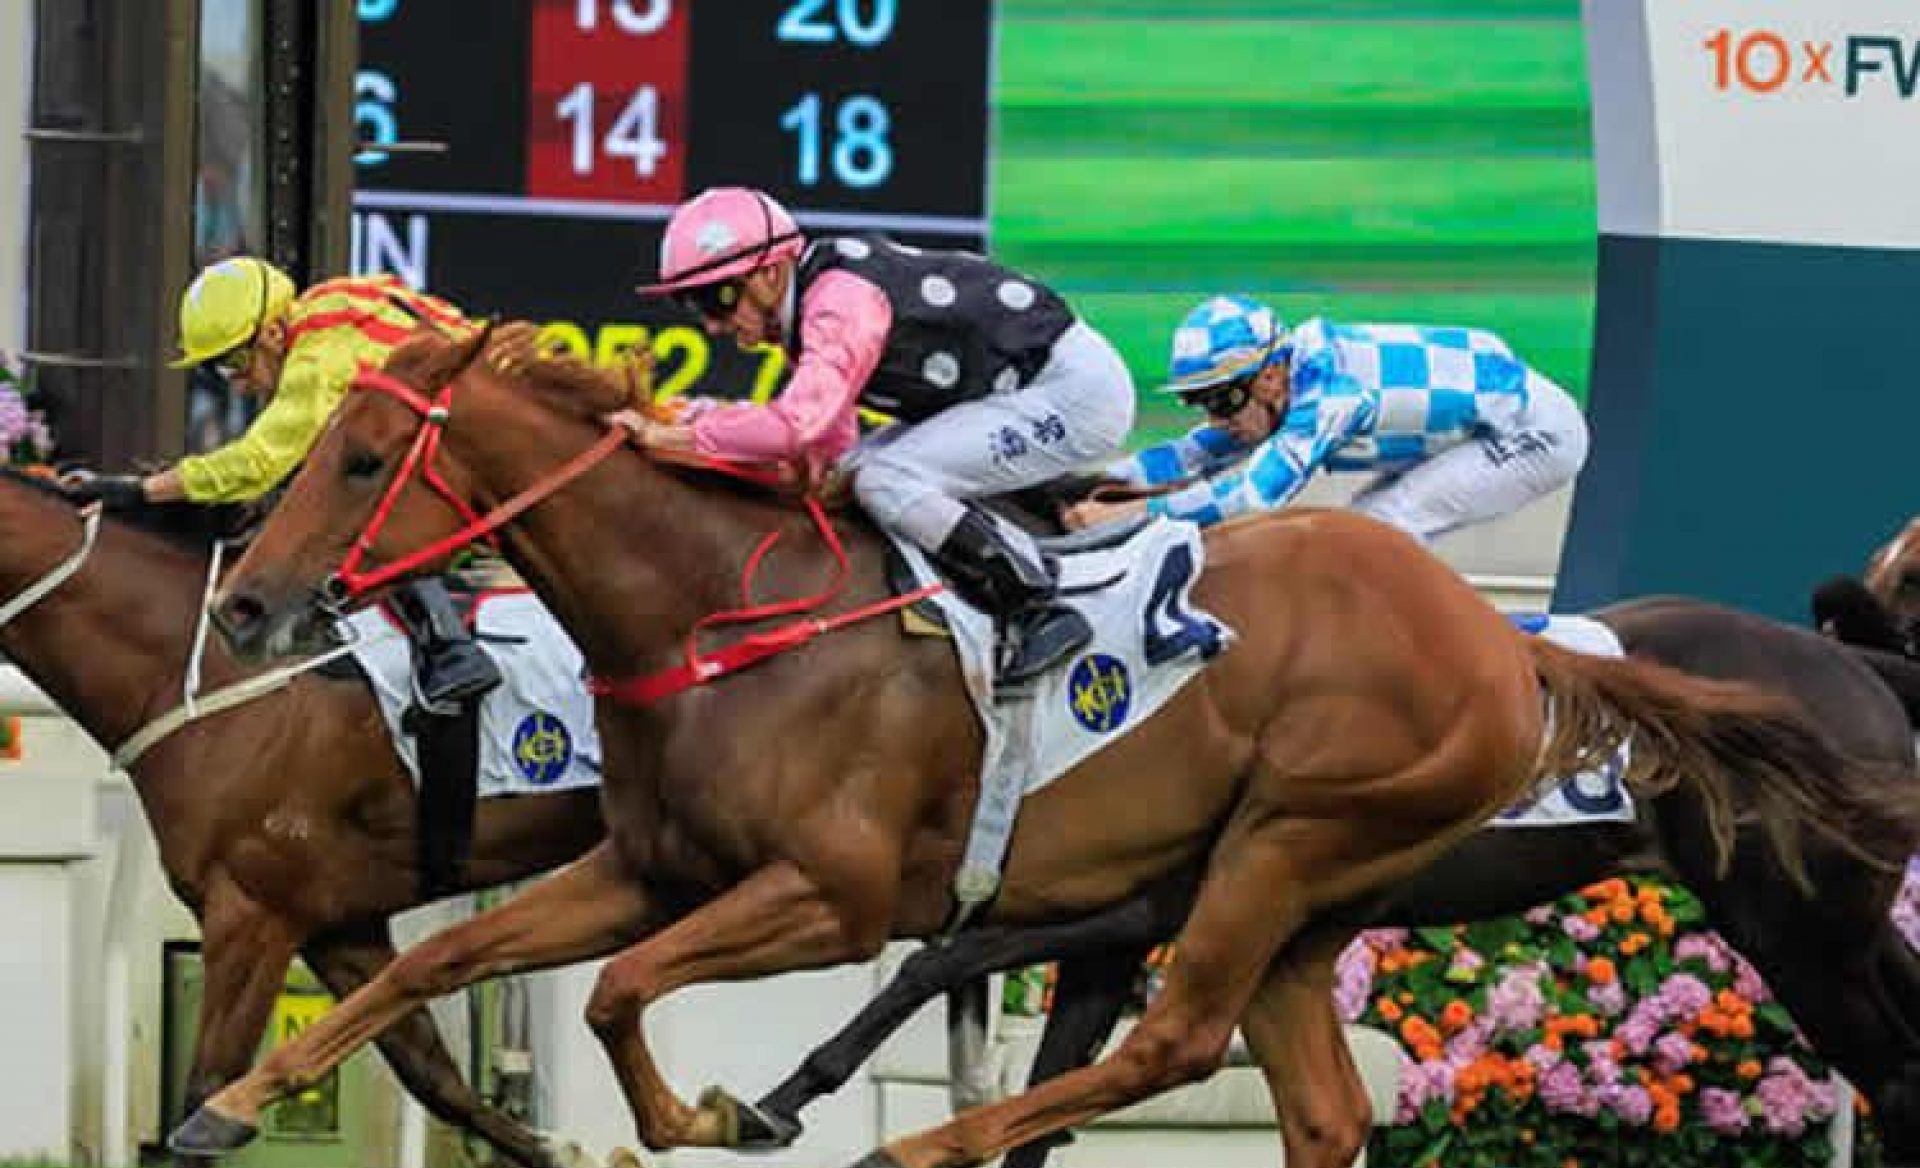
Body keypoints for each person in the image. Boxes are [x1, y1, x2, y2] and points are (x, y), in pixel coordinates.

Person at [620, 186, 1136, 687]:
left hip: (1074, 394)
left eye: (717, 298)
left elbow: (799, 422)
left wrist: (684, 437)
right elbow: (828, 454)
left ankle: (1033, 604)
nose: (712, 324)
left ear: (770, 273)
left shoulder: (839, 302)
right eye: (694, 305)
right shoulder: (805, 312)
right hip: (1015, 391)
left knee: (886, 478)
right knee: (856, 475)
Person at [65, 256, 500, 709]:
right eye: (216, 369)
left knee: (358, 506)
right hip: (468, 422)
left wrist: (136, 491)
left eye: (234, 362)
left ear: (273, 333)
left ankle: (450, 648)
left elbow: (256, 464)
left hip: (479, 449)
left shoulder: (319, 362)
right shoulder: (324, 309)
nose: (235, 383)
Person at [1068, 295, 1588, 543]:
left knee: (1374, 529)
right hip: (1475, 416)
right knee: (1363, 527)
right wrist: (1084, 485)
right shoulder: (1281, 381)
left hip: (1537, 434)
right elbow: (1193, 453)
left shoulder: (1328, 400)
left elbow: (1250, 498)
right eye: (1198, 401)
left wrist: (1132, 515)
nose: (1213, 417)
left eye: (1221, 399)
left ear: (1271, 376)